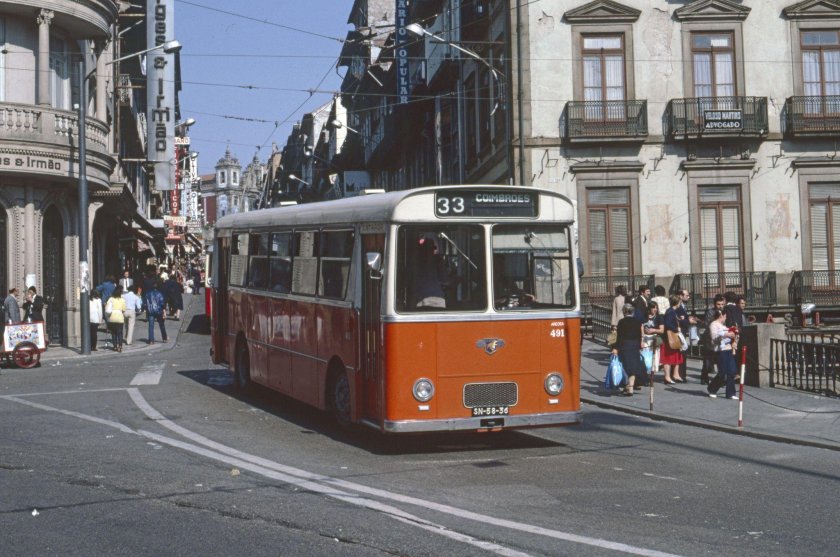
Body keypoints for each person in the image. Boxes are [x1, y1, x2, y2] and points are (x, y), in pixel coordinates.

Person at [611, 303, 645, 396]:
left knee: (625, 365)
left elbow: (619, 336)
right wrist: (640, 344)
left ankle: (628, 385)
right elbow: (639, 335)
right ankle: (630, 387)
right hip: (634, 345)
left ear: (624, 311)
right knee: (633, 366)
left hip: (624, 345)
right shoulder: (637, 322)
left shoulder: (622, 322)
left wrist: (615, 347)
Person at [707, 309, 739, 399]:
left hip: (728, 349)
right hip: (720, 350)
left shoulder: (723, 325)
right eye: (725, 316)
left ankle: (731, 393)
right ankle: (712, 388)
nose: (725, 318)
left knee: (731, 371)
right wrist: (726, 335)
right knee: (723, 372)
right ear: (722, 316)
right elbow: (714, 338)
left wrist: (733, 337)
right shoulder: (713, 325)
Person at [700, 294, 726, 385]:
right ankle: (704, 377)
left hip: (721, 339)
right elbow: (708, 325)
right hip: (710, 339)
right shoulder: (710, 312)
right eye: (718, 304)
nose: (720, 306)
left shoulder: (724, 312)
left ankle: (721, 380)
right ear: (715, 304)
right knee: (708, 360)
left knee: (721, 361)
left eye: (722, 304)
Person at [414, 236, 447, 309]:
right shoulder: (438, 260)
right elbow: (444, 279)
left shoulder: (415, 262)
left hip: (420, 300)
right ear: (433, 249)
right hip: (438, 299)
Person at [661, 294, 685, 384]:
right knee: (668, 357)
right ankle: (667, 376)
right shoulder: (671, 312)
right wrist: (676, 328)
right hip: (670, 337)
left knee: (676, 355)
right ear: (677, 303)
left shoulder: (671, 311)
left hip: (671, 337)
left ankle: (675, 374)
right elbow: (667, 324)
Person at [642, 301, 664, 376]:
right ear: (649, 308)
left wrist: (653, 330)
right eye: (653, 308)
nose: (655, 309)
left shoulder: (659, 317)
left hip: (654, 339)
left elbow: (662, 330)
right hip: (645, 339)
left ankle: (651, 376)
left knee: (654, 358)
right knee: (645, 358)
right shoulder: (644, 316)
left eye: (656, 308)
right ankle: (645, 374)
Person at [145, 280, 168, 345]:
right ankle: (164, 338)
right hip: (159, 311)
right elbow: (162, 302)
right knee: (162, 325)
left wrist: (146, 310)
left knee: (151, 326)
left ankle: (151, 340)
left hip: (150, 311)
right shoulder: (159, 293)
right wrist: (164, 310)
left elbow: (145, 302)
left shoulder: (148, 293)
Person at [105, 285, 127, 352]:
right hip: (120, 318)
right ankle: (120, 346)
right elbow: (124, 309)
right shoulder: (122, 300)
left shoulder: (111, 299)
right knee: (120, 333)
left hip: (112, 317)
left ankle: (114, 346)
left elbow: (107, 307)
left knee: (113, 333)